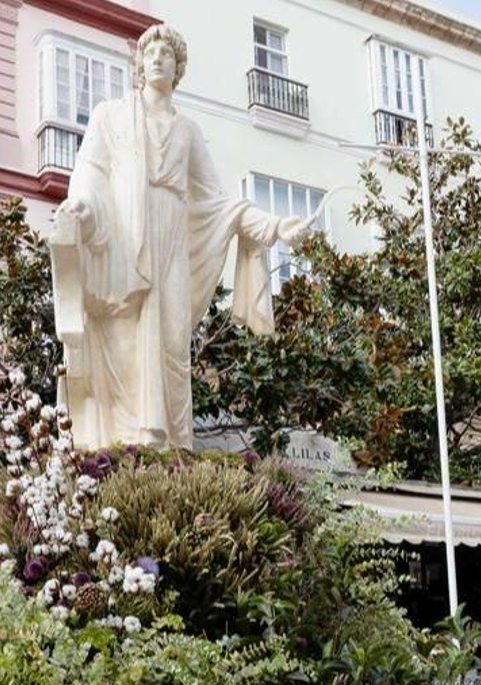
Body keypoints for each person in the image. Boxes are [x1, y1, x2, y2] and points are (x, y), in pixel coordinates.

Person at [51, 24, 312, 450]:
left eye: (166, 54)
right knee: (125, 339)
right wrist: (81, 205)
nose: (156, 58)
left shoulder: (187, 130)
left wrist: (274, 227)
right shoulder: (110, 115)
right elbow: (90, 173)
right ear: (138, 65)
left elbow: (217, 200)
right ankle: (128, 442)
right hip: (123, 238)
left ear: (179, 68)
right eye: (149, 52)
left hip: (171, 239)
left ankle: (172, 444)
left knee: (172, 341)